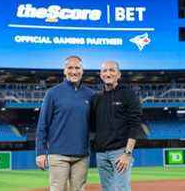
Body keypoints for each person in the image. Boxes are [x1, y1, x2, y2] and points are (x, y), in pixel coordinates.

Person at [36, 56, 93, 191]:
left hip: (82, 154)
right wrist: (40, 152)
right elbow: (42, 124)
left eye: (77, 68)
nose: (74, 71)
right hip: (58, 154)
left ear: (82, 70)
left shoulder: (90, 94)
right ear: (64, 70)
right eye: (70, 68)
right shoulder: (53, 93)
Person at [90, 61, 144, 191]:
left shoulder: (128, 94)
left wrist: (127, 153)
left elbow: (135, 124)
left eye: (112, 70)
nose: (108, 73)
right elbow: (92, 126)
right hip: (101, 154)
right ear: (101, 75)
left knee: (122, 188)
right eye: (105, 71)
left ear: (118, 74)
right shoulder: (96, 98)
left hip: (120, 152)